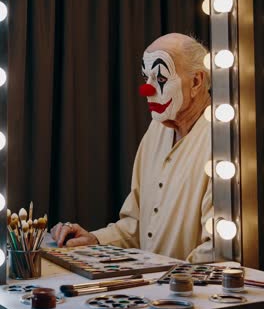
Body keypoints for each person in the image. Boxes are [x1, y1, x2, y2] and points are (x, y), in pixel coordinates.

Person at [51, 33, 213, 264]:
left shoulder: (220, 141)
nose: (146, 89)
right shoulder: (156, 131)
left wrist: (172, 282)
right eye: (146, 77)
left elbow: (217, 249)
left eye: (160, 78)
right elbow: (136, 225)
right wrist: (95, 240)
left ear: (196, 82)